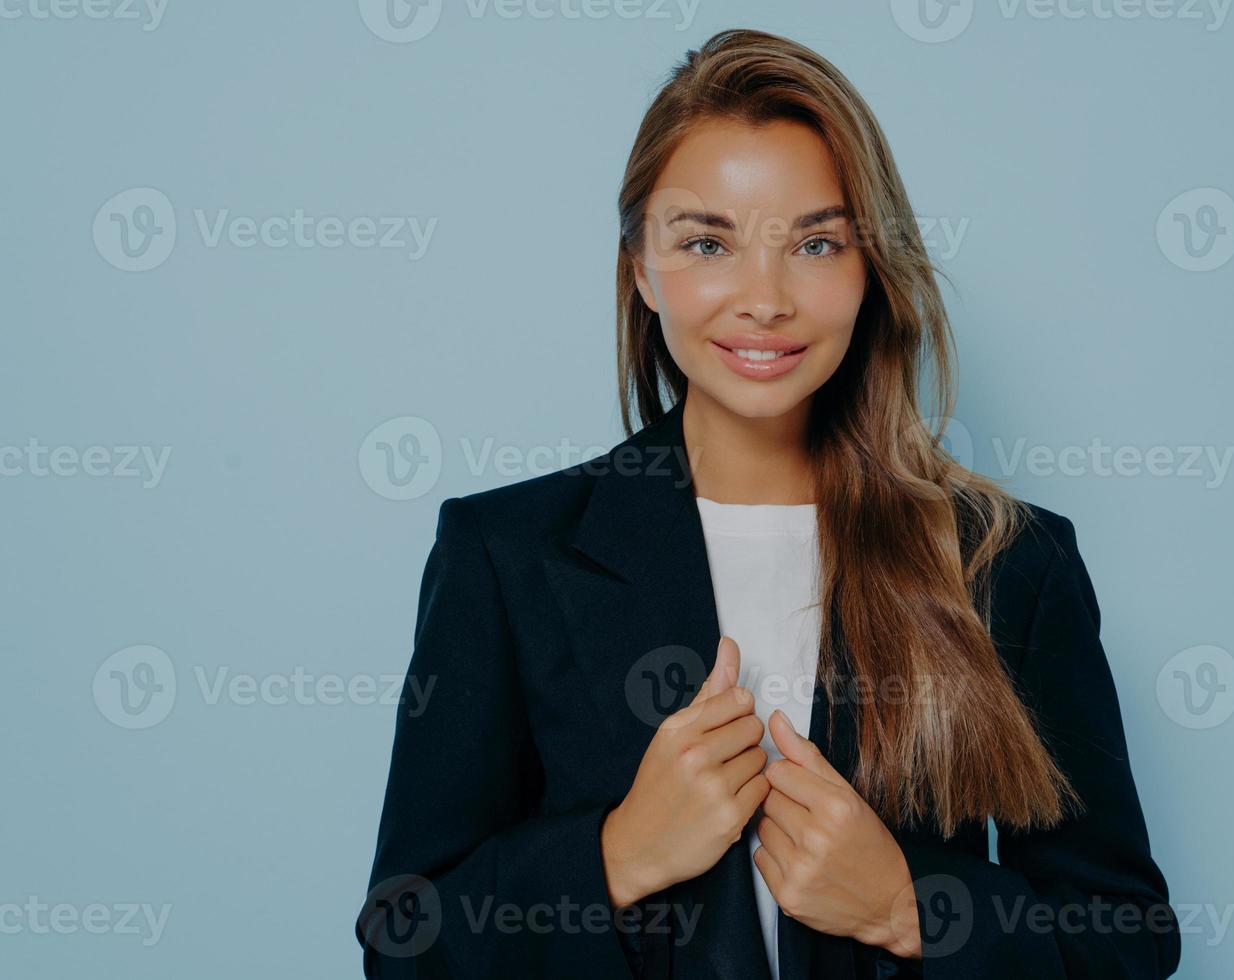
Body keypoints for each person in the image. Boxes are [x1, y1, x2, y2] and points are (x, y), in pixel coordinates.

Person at [355, 27, 1181, 980]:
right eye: (707, 241)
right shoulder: (506, 552)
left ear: (868, 269)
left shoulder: (1006, 561)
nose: (764, 297)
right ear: (639, 268)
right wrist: (616, 858)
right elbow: (403, 942)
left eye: (816, 242)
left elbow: (1126, 937)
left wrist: (912, 908)